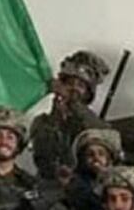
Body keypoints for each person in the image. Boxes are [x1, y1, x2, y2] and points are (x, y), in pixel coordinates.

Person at [30, 50, 110, 181]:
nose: (74, 88)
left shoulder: (94, 122)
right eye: (69, 83)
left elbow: (98, 131)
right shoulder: (42, 121)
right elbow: (43, 155)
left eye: (80, 85)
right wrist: (55, 119)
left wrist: (73, 102)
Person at [63, 127, 123, 210]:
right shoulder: (79, 183)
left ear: (109, 159)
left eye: (101, 154)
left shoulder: (121, 177)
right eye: (90, 155)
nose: (96, 158)